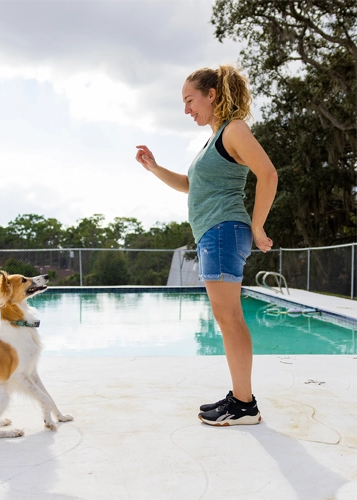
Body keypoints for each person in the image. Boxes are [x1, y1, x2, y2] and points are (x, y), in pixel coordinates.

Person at [135, 65, 278, 426]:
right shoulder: (214, 140)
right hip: (214, 233)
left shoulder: (234, 129)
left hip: (224, 230)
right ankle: (240, 397)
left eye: (189, 100)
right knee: (226, 318)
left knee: (229, 318)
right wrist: (153, 167)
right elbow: (190, 185)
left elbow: (268, 173)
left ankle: (245, 404)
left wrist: (258, 225)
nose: (186, 110)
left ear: (211, 95)